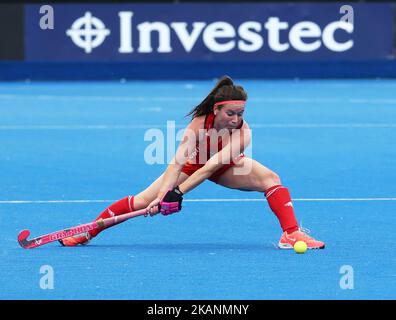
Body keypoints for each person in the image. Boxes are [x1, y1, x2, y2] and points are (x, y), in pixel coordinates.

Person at [60, 76, 325, 250]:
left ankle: (290, 233)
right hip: (190, 166)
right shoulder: (198, 125)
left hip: (225, 167)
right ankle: (89, 231)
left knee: (271, 179)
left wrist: (177, 194)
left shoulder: (244, 133)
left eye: (240, 113)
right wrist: (163, 196)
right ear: (216, 110)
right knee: (141, 201)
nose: (235, 119)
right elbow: (176, 164)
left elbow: (212, 168)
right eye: (230, 113)